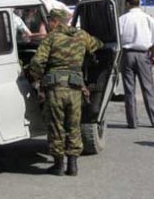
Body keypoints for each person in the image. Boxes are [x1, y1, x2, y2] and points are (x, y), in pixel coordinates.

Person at [29, 9, 103, 176]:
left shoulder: (52, 37)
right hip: (76, 89)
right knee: (73, 125)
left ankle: (58, 165)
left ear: (56, 21)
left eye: (50, 21)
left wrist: (37, 78)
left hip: (55, 89)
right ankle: (73, 165)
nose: (48, 24)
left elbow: (37, 62)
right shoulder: (82, 35)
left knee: (57, 126)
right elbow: (98, 44)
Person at [119, 0, 154, 129]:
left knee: (129, 90)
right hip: (143, 55)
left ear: (128, 4)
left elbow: (117, 40)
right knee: (148, 88)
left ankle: (132, 122)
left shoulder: (122, 19)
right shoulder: (148, 18)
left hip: (127, 55)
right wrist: (153, 56)